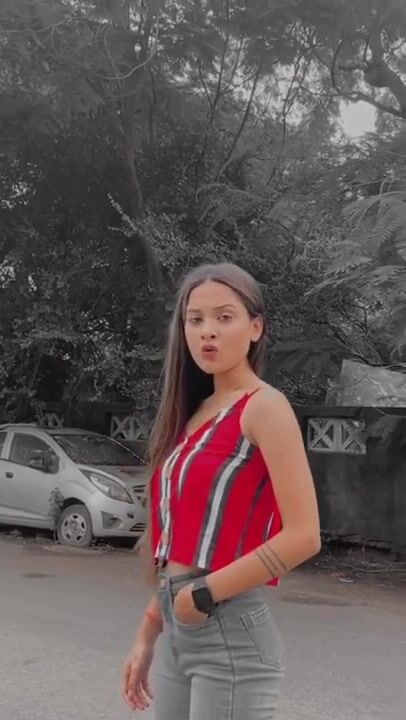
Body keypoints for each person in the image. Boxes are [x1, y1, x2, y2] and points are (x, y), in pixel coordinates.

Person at [122, 262, 321, 719]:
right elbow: (180, 543)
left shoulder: (264, 407)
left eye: (224, 317)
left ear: (255, 328)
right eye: (195, 320)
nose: (207, 331)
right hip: (178, 628)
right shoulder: (192, 414)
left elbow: (304, 535)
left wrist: (203, 594)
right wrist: (147, 635)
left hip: (227, 631)